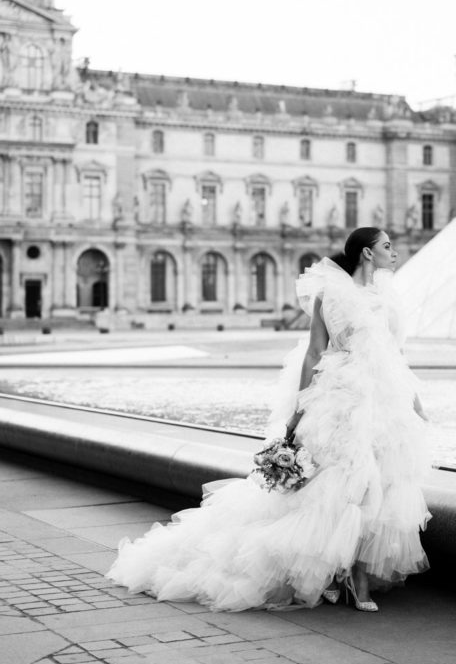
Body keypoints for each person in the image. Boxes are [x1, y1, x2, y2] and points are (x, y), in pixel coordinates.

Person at [106, 227, 431, 612]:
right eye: (386, 246)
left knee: (379, 486)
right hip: (340, 396)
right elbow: (314, 352)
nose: (393, 252)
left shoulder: (388, 299)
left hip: (382, 399)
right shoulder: (331, 295)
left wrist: (415, 402)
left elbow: (395, 357)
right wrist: (298, 408)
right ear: (366, 253)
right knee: (340, 487)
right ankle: (346, 577)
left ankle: (352, 577)